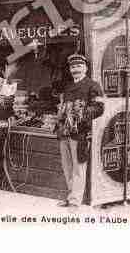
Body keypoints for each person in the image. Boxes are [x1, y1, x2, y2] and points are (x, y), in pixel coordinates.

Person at [54, 54, 104, 208]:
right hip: (64, 132)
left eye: (78, 66)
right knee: (67, 167)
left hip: (80, 133)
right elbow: (63, 106)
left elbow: (99, 108)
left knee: (78, 168)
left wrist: (80, 114)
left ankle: (75, 200)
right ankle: (71, 196)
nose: (75, 69)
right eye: (73, 67)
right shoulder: (68, 87)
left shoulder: (92, 85)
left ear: (85, 68)